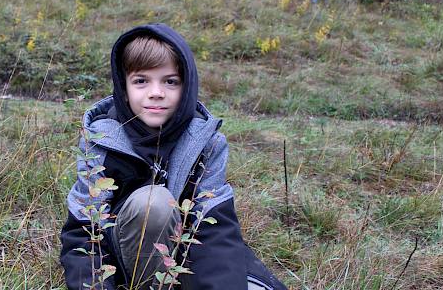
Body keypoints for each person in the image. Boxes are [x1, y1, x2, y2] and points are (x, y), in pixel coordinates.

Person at [59, 23, 286, 290]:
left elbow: (214, 230)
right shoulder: (100, 139)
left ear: (187, 85)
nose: (156, 92)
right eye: (141, 81)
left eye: (170, 81)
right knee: (154, 202)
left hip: (187, 258)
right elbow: (85, 231)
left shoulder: (207, 143)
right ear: (124, 87)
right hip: (121, 266)